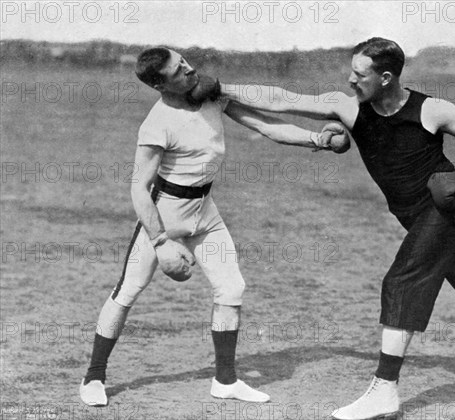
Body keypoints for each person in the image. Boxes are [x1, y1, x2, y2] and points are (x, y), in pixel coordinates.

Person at [217, 38, 455, 419]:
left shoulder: (429, 109)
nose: (351, 79)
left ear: (385, 78)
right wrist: (220, 90)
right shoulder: (349, 107)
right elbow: (281, 98)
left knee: (401, 281)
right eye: (351, 70)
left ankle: (384, 389)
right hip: (417, 217)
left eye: (360, 74)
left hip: (447, 208)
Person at [79, 47, 335, 407]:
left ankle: (226, 380)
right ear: (159, 84)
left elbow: (265, 124)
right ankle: (94, 376)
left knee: (231, 289)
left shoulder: (211, 94)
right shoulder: (156, 124)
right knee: (128, 291)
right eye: (178, 71)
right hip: (165, 214)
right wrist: (160, 240)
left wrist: (315, 139)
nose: (190, 69)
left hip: (205, 213)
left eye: (185, 61)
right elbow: (139, 188)